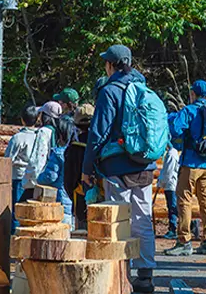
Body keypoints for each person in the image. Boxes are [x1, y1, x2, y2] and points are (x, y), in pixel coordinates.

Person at [82, 44, 158, 294]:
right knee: (143, 218)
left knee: (118, 220)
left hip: (117, 166)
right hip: (144, 164)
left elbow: (98, 133)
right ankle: (145, 275)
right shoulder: (143, 88)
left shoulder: (110, 91)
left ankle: (120, 272)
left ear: (111, 65)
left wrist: (87, 167)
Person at [164, 80, 206, 257]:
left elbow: (175, 129)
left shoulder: (189, 110)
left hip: (190, 163)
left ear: (193, 94)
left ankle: (184, 241)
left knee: (184, 201)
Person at [5, 105, 42, 232]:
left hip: (19, 177)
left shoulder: (18, 137)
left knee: (17, 210)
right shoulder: (40, 136)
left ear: (22, 119)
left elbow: (8, 158)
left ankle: (15, 237)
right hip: (36, 178)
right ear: (37, 119)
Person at [37, 115, 77, 225]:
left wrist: (38, 178)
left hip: (61, 204)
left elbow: (50, 177)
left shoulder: (58, 154)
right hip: (75, 205)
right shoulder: (79, 152)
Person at [64, 103, 94, 232]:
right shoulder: (102, 143)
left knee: (83, 235)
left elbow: (68, 180)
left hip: (81, 198)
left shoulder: (75, 147)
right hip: (105, 195)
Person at [159, 143, 181, 239]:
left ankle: (173, 229)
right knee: (173, 207)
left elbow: (168, 171)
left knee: (173, 207)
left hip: (171, 185)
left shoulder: (172, 154)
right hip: (170, 184)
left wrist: (161, 182)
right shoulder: (170, 153)